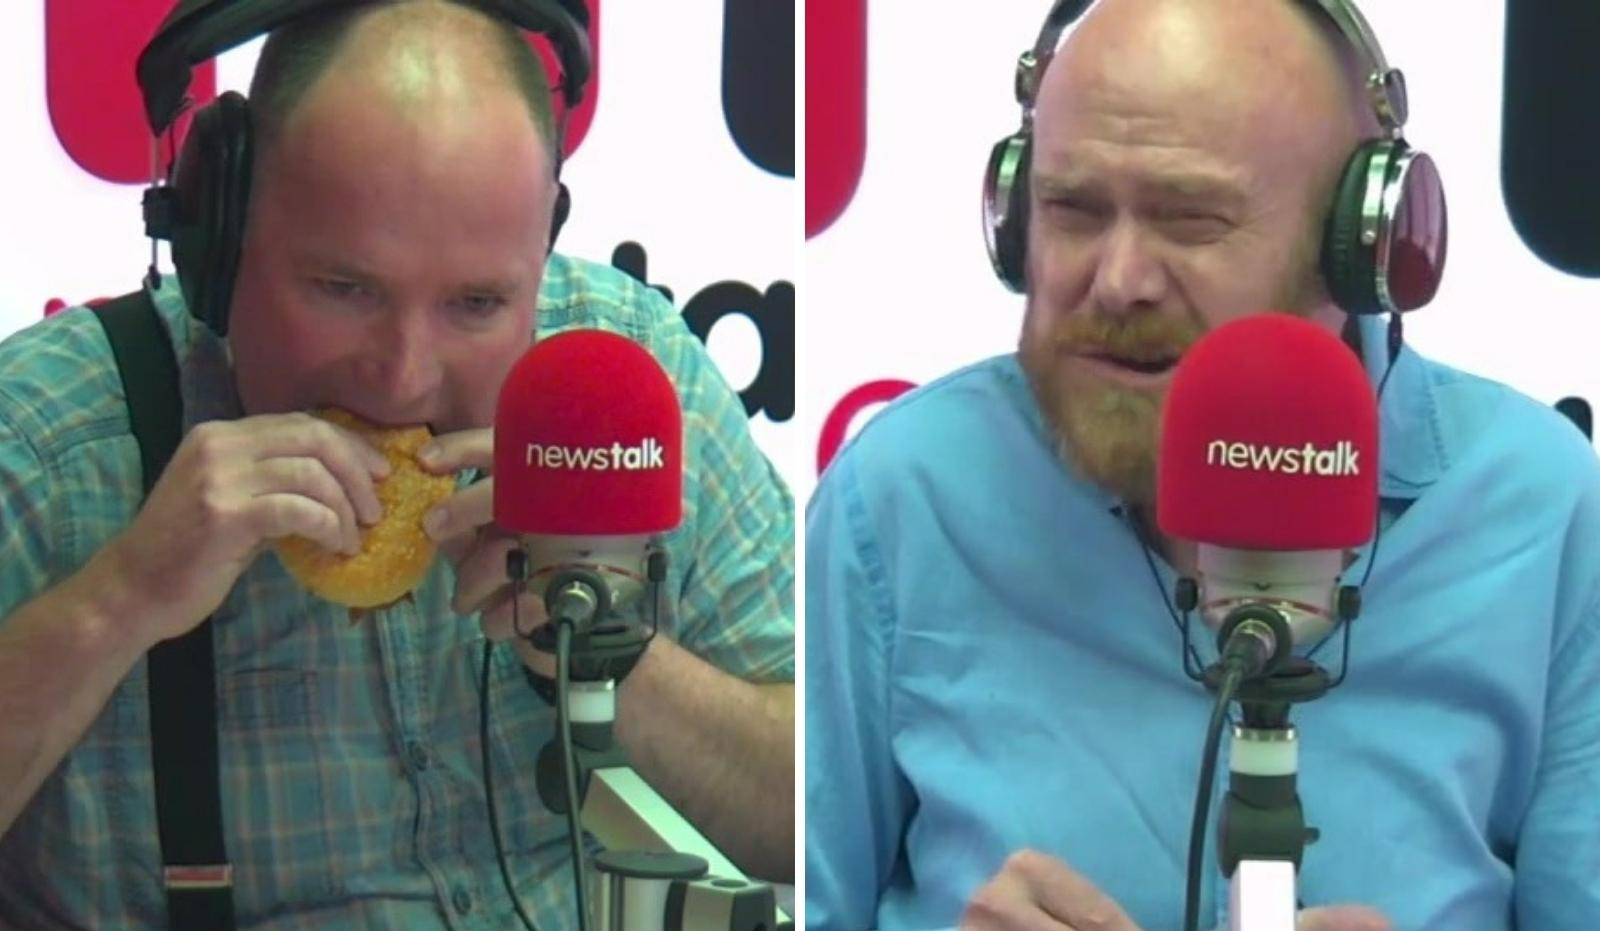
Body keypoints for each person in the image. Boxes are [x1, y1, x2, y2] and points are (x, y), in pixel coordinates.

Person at [804, 1, 1600, 930]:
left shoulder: (1543, 509)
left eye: (1189, 220)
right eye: (1073, 209)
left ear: (1360, 249)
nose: (1117, 279)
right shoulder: (899, 496)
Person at [0, 1, 794, 928]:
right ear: (216, 239)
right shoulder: (51, 444)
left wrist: (612, 654)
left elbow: (812, 809)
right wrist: (117, 599)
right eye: (344, 288)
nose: (404, 376)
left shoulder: (629, 378)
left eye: (476, 303)